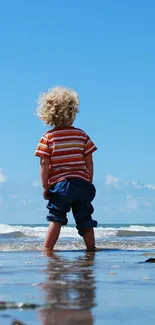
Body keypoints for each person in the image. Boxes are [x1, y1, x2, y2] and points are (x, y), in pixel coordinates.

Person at [35, 86, 97, 251]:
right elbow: (89, 161)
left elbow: (44, 164)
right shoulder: (82, 135)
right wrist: (88, 181)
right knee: (85, 218)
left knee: (56, 218)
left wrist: (45, 186)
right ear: (73, 112)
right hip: (82, 184)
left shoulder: (48, 138)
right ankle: (91, 250)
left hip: (61, 185)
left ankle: (47, 250)